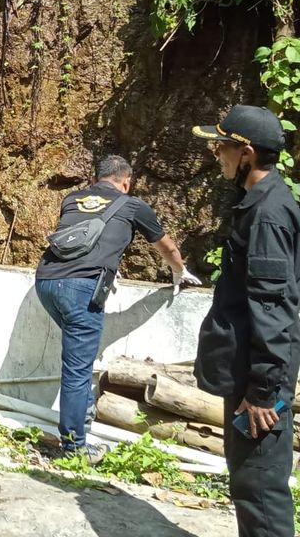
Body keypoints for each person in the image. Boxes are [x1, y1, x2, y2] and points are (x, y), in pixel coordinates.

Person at [34, 155, 197, 463]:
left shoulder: (72, 198)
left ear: (97, 179)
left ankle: (82, 418)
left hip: (45, 283)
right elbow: (166, 247)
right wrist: (179, 272)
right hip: (80, 289)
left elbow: (79, 239)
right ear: (126, 181)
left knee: (78, 357)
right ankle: (74, 448)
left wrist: (107, 266)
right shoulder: (133, 205)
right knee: (77, 368)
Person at [192, 105, 300, 537]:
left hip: (260, 380)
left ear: (247, 152)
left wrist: (262, 392)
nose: (216, 153)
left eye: (221, 145)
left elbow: (273, 308)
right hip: (251, 371)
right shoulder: (258, 204)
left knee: (260, 488)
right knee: (248, 481)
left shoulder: (268, 215)